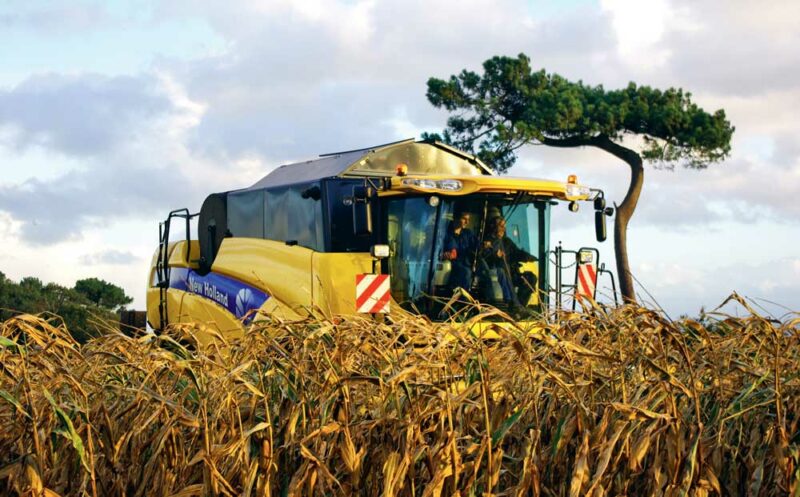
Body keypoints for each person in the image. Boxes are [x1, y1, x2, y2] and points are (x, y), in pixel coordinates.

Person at [479, 216, 538, 308]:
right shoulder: (487, 242)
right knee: (503, 269)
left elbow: (516, 252)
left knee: (531, 278)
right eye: (501, 226)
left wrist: (528, 257)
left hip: (511, 274)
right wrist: (495, 256)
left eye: (504, 226)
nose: (504, 229)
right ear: (493, 227)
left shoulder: (507, 241)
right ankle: (515, 305)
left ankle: (520, 306)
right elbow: (483, 258)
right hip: (495, 275)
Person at [442, 210, 478, 291]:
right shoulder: (445, 232)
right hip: (452, 264)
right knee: (466, 272)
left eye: (468, 219)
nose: (467, 222)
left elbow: (477, 245)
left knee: (486, 270)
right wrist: (443, 254)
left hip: (467, 263)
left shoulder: (468, 233)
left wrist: (484, 245)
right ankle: (462, 300)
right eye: (464, 219)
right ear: (456, 219)